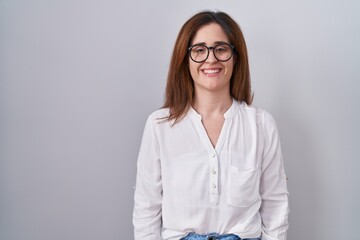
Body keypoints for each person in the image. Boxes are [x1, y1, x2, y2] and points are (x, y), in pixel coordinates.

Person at [133, 11, 289, 240]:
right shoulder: (159, 126)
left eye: (221, 49)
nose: (210, 59)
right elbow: (146, 210)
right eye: (199, 50)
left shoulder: (261, 125)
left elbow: (276, 206)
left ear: (235, 57)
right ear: (184, 60)